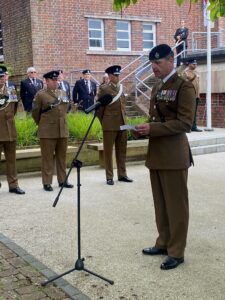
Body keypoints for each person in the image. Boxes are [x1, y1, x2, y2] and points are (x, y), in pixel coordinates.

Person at [134, 44, 195, 270]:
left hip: (174, 155)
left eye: (158, 63)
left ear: (171, 60)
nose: (154, 67)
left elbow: (184, 123)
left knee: (176, 206)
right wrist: (141, 128)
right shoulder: (158, 86)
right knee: (161, 204)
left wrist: (152, 129)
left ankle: (177, 251)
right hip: (157, 153)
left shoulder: (184, 86)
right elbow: (156, 117)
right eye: (151, 63)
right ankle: (163, 242)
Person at [32, 70, 73, 191]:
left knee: (62, 157)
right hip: (47, 131)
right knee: (47, 157)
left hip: (62, 129)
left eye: (57, 80)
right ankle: (47, 182)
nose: (56, 82)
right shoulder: (40, 94)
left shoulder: (63, 93)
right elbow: (35, 113)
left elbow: (66, 109)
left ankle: (62, 180)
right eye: (53, 80)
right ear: (47, 81)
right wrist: (43, 124)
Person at [96, 65, 133, 185]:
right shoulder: (104, 89)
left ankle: (122, 174)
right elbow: (99, 109)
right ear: (110, 76)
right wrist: (104, 122)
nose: (117, 77)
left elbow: (124, 106)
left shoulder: (122, 88)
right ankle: (109, 176)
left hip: (122, 123)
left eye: (118, 75)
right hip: (109, 124)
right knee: (108, 151)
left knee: (122, 150)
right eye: (115, 75)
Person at [0, 66, 25, 194]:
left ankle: (13, 185)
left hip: (10, 130)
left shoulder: (11, 90)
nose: (2, 78)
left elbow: (14, 109)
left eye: (3, 76)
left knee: (12, 161)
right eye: (0, 77)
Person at [181, 59, 202, 132]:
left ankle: (194, 126)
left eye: (196, 64)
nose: (195, 65)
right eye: (193, 64)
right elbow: (185, 83)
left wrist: (198, 94)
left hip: (196, 95)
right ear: (189, 64)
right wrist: (194, 76)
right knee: (188, 112)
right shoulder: (185, 73)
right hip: (189, 96)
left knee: (194, 112)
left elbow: (197, 84)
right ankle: (187, 127)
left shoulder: (196, 72)